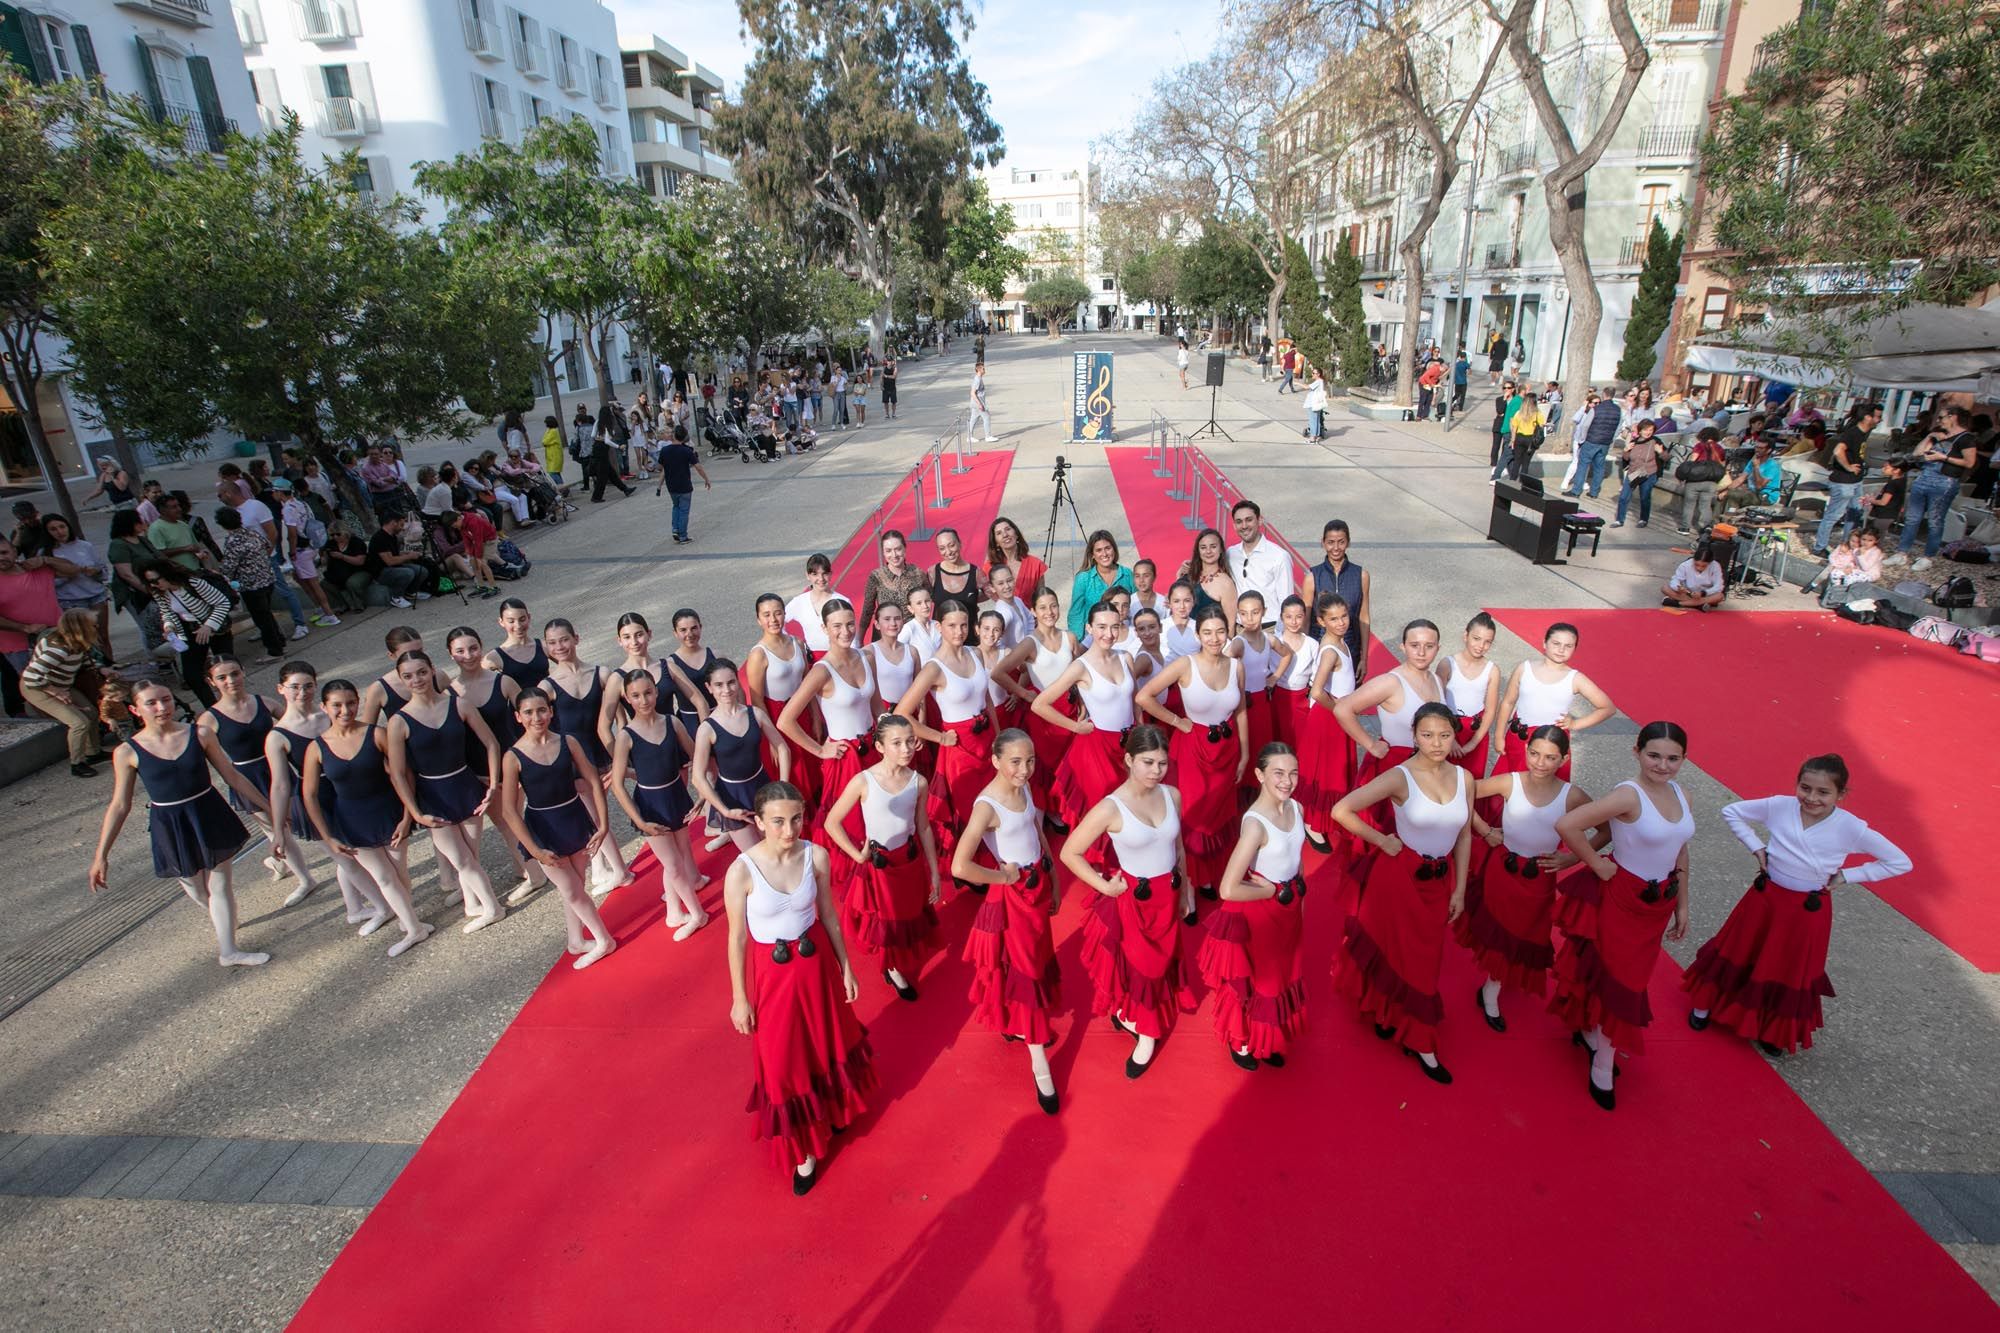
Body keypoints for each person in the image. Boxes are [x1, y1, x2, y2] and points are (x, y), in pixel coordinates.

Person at [1683, 754, 1912, 1055]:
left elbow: (1899, 862)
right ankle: (1705, 1006)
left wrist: (1847, 876)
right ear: (1797, 785)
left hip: (1806, 911)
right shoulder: (1780, 805)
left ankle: (1771, 1028)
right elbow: (1732, 811)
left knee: (1787, 967)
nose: (1811, 798)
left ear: (1841, 795)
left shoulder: (1851, 827)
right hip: (1765, 900)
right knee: (1738, 949)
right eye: (1805, 788)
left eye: (1823, 792)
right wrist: (1756, 847)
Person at [723, 780, 871, 1196]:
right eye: (777, 822)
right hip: (773, 979)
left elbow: (828, 913)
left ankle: (836, 1109)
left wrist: (846, 967)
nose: (789, 830)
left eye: (796, 819)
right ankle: (805, 1148)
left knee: (828, 1041)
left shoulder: (816, 855)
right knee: (784, 1057)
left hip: (818, 966)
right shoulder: (741, 871)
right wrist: (740, 997)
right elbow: (736, 938)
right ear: (759, 821)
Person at [1549, 721, 1695, 1111]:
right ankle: (1602, 1061)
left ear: (1683, 759)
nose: (1663, 765)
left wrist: (1682, 902)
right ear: (1636, 752)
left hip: (1658, 903)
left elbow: (1680, 850)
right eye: (1654, 755)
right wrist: (1597, 865)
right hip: (1621, 898)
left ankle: (1591, 1030)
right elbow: (1568, 824)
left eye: (1673, 758)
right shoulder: (1627, 795)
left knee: (1626, 977)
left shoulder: (1683, 794)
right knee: (1623, 982)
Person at [1330, 701, 1471, 1086]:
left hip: (1440, 883)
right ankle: (1421, 1041)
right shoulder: (1399, 776)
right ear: (1414, 736)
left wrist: (1459, 888)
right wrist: (1381, 840)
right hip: (1399, 879)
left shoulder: (1464, 779)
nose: (1437, 743)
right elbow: (1342, 810)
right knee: (1396, 953)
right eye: (1427, 735)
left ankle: (1394, 1018)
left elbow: (1464, 834)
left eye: (1444, 735)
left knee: (1426, 958)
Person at [89, 679, 274, 965]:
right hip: (170, 822)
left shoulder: (200, 734)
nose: (162, 707)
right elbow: (119, 805)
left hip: (209, 812)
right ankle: (223, 920)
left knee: (220, 884)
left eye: (166, 699)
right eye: (151, 702)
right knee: (197, 889)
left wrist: (270, 807)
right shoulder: (127, 752)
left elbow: (232, 776)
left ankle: (228, 950)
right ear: (135, 710)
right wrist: (101, 855)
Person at [1059, 724, 1192, 1079]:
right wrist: (1103, 887)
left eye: (1162, 764)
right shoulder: (1110, 808)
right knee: (1142, 966)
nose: (1155, 771)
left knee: (1161, 963)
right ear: (1129, 759)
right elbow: (1070, 852)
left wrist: (1188, 886)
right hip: (1133, 899)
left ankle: (1135, 1018)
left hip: (1169, 893)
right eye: (1147, 762)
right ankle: (1147, 1033)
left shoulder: (1172, 795)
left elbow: (1176, 845)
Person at [952, 729, 1063, 1111]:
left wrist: (1054, 876)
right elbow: (960, 865)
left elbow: (1035, 829)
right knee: (1026, 971)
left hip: (1037, 889)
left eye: (1029, 761)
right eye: (1015, 761)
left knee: (1032, 962)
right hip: (1013, 899)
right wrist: (1003, 877)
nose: (1024, 769)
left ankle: (1020, 1026)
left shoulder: (1026, 787)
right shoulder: (987, 806)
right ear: (996, 760)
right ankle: (1040, 1064)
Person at [1462, 726, 1593, 1030]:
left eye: (1550, 757)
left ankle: (1493, 985)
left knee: (1526, 934)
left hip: (1539, 880)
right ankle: (1491, 990)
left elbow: (1605, 829)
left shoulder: (1571, 795)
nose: (1540, 763)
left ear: (1564, 758)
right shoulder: (1511, 782)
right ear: (1526, 750)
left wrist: (1572, 856)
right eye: (1534, 753)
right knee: (1501, 932)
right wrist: (1484, 830)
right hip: (1502, 873)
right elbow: (1463, 791)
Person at [301, 679, 432, 959]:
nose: (345, 710)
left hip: (390, 813)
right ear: (324, 708)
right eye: (337, 705)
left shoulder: (377, 734)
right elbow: (309, 796)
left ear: (358, 702)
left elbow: (404, 774)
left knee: (399, 874)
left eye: (350, 703)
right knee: (385, 878)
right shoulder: (316, 748)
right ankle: (413, 928)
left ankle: (409, 920)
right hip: (351, 822)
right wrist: (328, 837)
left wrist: (408, 816)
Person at [1199, 743, 1309, 1070]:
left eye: (1293, 773)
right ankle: (1243, 1039)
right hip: (1259, 912)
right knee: (1260, 979)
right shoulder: (1255, 824)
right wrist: (1269, 891)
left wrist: (1300, 896)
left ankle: (1267, 1034)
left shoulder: (1297, 808)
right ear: (1260, 775)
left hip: (1289, 908)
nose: (1287, 781)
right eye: (1278, 773)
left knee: (1282, 974)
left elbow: (1298, 857)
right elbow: (1228, 888)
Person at [383, 650, 507, 933]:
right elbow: (399, 773)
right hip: (432, 796)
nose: (417, 680)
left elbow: (491, 744)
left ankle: (472, 904)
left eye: (422, 672)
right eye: (408, 676)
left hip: (465, 786)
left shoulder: (458, 705)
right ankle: (492, 908)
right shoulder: (399, 721)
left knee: (470, 857)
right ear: (402, 680)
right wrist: (414, 812)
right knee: (461, 859)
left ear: (432, 671)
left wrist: (492, 785)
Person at [821, 712, 942, 1002]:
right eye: (897, 743)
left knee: (910, 913)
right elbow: (831, 822)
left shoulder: (919, 782)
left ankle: (898, 963)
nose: (906, 749)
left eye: (910, 742)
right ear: (880, 747)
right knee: (889, 921)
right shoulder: (864, 781)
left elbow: (923, 825)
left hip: (910, 862)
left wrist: (935, 872)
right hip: (881, 868)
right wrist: (857, 855)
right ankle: (893, 969)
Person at [496, 689, 617, 970]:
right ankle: (603, 939)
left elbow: (593, 780)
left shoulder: (568, 742)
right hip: (543, 828)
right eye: (528, 712)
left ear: (551, 712)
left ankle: (576, 940)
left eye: (541, 710)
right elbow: (508, 811)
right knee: (572, 890)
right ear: (518, 717)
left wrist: (602, 823)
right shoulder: (513, 757)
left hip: (574, 818)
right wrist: (536, 850)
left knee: (576, 886)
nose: (536, 717)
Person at [1135, 605, 1247, 901]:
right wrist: (1177, 722)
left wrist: (1245, 753)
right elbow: (1144, 696)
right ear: (1198, 634)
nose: (1214, 638)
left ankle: (1209, 877)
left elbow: (1241, 710)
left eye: (1220, 631)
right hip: (1194, 750)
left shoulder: (1237, 665)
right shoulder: (1185, 665)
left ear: (1228, 632)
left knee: (1220, 816)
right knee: (1193, 817)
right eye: (1207, 632)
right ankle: (1189, 889)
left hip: (1227, 749)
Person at [893, 603, 998, 868]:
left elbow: (986, 699)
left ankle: (994, 857)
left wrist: (999, 737)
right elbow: (902, 712)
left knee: (993, 801)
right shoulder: (934, 668)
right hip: (960, 747)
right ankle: (971, 865)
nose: (959, 631)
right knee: (969, 808)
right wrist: (939, 738)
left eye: (963, 624)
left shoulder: (976, 653)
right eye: (951, 625)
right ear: (939, 627)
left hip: (987, 741)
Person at [607, 670, 705, 939]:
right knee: (673, 865)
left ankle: (674, 911)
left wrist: (703, 794)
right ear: (626, 698)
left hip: (676, 796)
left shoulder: (672, 722)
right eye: (636, 695)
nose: (643, 700)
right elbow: (617, 783)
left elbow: (697, 754)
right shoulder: (626, 735)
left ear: (656, 692)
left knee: (683, 855)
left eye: (648, 692)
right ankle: (698, 914)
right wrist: (638, 820)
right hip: (650, 804)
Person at [538, 618, 632, 895]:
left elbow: (620, 714)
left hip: (600, 752)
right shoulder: (548, 686)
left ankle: (613, 869)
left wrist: (619, 753)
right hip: (573, 761)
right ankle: (614, 868)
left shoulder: (600, 673)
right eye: (553, 643)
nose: (560, 647)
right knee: (592, 815)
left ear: (576, 639)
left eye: (564, 640)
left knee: (596, 813)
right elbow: (537, 724)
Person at [1488, 623, 1615, 822]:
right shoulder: (1525, 668)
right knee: (1510, 788)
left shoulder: (1575, 678)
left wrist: (1575, 724)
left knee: (1545, 794)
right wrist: (1498, 735)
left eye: (1568, 646)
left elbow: (1607, 707)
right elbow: (1508, 701)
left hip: (1551, 744)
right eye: (1556, 643)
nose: (1561, 650)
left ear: (1575, 648)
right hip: (1517, 738)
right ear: (1544, 643)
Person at [1034, 599, 1137, 845]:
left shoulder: (1125, 657)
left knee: (1130, 806)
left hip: (1129, 744)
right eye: (1101, 627)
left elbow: (1134, 702)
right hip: (1098, 746)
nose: (1109, 634)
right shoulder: (1080, 666)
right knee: (1102, 809)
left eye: (1114, 627)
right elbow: (1039, 704)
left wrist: (1140, 736)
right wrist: (1075, 727)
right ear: (1089, 628)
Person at [1334, 619, 1445, 832]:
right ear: (1403, 647)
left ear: (1437, 648)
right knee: (1390, 830)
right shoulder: (1391, 682)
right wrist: (1370, 744)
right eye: (1414, 645)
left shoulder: (1436, 680)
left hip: (1429, 768)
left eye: (1429, 646)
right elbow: (1343, 709)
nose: (1421, 652)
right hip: (1395, 766)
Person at [994, 586, 1077, 810]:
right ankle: (1050, 810)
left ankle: (1069, 808)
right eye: (1042, 607)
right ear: (1033, 611)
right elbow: (998, 672)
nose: (1049, 612)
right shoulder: (1030, 642)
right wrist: (1024, 693)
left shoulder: (1069, 637)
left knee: (1070, 762)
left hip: (1070, 709)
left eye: (1053, 606)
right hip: (1044, 712)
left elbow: (1081, 670)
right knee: (1048, 764)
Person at [1887, 405, 1978, 571]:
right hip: (1924, 478)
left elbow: (1969, 462)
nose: (1939, 421)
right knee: (1912, 518)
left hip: (1944, 481)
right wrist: (1929, 436)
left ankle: (1928, 556)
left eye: (1942, 417)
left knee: (1935, 521)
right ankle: (1901, 553)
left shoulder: (1966, 439)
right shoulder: (1938, 435)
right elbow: (1917, 454)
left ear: (1953, 417)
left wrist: (1943, 457)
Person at [21, 611, 109, 776]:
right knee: (78, 723)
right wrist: (56, 692)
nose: (96, 627)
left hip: (60, 684)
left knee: (91, 713)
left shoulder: (75, 641)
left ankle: (93, 753)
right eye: (93, 625)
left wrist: (102, 669)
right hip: (38, 687)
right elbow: (30, 676)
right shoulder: (58, 649)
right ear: (80, 628)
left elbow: (82, 659)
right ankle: (77, 763)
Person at [140, 560, 236, 708]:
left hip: (216, 628)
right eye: (149, 582)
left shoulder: (193, 583)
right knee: (192, 675)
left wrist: (208, 626)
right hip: (189, 631)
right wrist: (169, 627)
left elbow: (222, 603)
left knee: (225, 668)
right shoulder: (159, 593)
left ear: (167, 575)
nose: (153, 585)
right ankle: (212, 707)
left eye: (155, 580)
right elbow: (166, 613)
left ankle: (234, 702)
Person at [212, 507, 287, 664]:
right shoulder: (252, 533)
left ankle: (275, 650)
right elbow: (267, 546)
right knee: (267, 615)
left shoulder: (233, 541)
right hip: (266, 578)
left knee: (262, 619)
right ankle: (279, 642)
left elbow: (228, 567)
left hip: (251, 585)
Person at [1811, 402, 1880, 555]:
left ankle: (1849, 545)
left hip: (1856, 481)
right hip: (1843, 482)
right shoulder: (1853, 433)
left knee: (1855, 513)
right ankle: (1819, 547)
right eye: (1877, 417)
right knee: (1833, 516)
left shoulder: (1865, 432)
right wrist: (1848, 466)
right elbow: (1838, 451)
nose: (1879, 420)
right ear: (1868, 418)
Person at [1440, 612, 1500, 782]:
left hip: (1476, 731)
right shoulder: (1447, 664)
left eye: (1487, 642)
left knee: (1472, 782)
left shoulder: (1492, 670)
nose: (1481, 646)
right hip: (1447, 728)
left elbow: (1490, 710)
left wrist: (1473, 743)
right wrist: (1448, 738)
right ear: (1465, 635)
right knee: (1444, 780)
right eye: (1476, 638)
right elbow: (1437, 701)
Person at [1223, 499, 1289, 629]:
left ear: (1259, 521)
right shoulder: (1231, 553)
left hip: (1269, 629)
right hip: (1239, 628)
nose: (1244, 526)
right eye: (1239, 522)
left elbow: (1286, 601)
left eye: (1249, 520)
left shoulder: (1279, 556)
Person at [856, 530, 932, 639]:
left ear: (904, 549)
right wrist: (859, 639)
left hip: (913, 636)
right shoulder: (876, 576)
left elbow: (931, 597)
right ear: (883, 552)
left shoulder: (917, 573)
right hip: (885, 637)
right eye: (888, 551)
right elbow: (867, 610)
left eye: (898, 549)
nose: (894, 555)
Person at [1065, 530, 1135, 639]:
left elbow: (1137, 604)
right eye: (1099, 550)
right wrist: (1077, 643)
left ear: (1114, 550)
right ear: (1092, 555)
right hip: (1094, 638)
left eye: (1108, 548)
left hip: (1122, 634)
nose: (1104, 554)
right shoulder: (1083, 578)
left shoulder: (1127, 575)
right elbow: (1076, 613)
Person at [1565, 390, 1625, 499]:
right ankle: (1594, 492)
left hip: (1592, 440)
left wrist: (1582, 439)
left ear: (1604, 395)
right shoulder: (1618, 410)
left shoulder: (1596, 409)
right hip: (1605, 442)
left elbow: (1585, 426)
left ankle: (1576, 490)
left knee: (1583, 465)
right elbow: (1619, 427)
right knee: (1599, 467)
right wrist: (1611, 438)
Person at [658, 424, 710, 546]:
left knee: (676, 506)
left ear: (674, 435)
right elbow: (698, 467)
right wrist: (706, 479)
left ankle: (675, 529)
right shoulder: (687, 451)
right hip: (684, 485)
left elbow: (660, 467)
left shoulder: (665, 450)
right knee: (684, 510)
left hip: (671, 485)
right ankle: (683, 536)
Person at [365, 514, 427, 609]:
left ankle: (410, 592)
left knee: (421, 570)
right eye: (401, 525)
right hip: (381, 571)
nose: (402, 528)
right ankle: (396, 597)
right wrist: (408, 556)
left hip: (394, 567)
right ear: (393, 523)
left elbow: (395, 554)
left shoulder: (392, 536)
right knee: (407, 573)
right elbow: (390, 561)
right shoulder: (379, 538)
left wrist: (406, 553)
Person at [1612, 416, 1664, 528]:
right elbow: (1626, 459)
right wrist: (1625, 450)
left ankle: (1643, 519)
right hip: (1634, 472)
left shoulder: (1656, 441)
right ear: (1640, 430)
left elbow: (1666, 458)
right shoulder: (1634, 442)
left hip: (1649, 472)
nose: (1648, 432)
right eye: (1646, 430)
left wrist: (1660, 452)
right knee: (1623, 497)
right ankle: (1619, 520)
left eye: (1651, 430)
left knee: (1645, 497)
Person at [1675, 428, 1729, 535]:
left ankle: (1685, 528)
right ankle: (1707, 527)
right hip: (1711, 481)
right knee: (1706, 505)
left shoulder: (1699, 446)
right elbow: (1722, 465)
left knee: (1689, 504)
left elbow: (1693, 460)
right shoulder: (1720, 448)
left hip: (1695, 480)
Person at [985, 516, 1047, 605]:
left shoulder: (1036, 565)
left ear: (1016, 534)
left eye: (1008, 529)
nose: (1005, 535)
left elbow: (1041, 598)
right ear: (996, 542)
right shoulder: (989, 567)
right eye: (999, 533)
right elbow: (987, 591)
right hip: (1005, 617)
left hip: (1030, 617)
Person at [1820, 527, 1884, 606]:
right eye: (1863, 539)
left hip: (1870, 574)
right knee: (1835, 573)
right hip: (1858, 571)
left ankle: (1844, 600)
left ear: (1876, 541)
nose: (1866, 543)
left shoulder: (1876, 551)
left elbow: (1866, 567)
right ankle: (1837, 593)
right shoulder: (1857, 550)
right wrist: (1849, 566)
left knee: (1849, 578)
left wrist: (1861, 555)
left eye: (1870, 540)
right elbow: (1854, 562)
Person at [1718, 438, 1783, 516]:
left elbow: (1759, 486)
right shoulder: (1753, 461)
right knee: (1720, 496)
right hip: (1751, 492)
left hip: (1765, 496)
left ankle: (1729, 518)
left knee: (1734, 495)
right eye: (1756, 447)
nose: (1757, 450)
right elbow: (1740, 479)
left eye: (1761, 448)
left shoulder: (1772, 465)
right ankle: (1718, 521)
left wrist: (1756, 467)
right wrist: (1725, 491)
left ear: (1768, 450)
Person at [1662, 542, 1727, 612]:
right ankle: (1699, 605)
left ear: (1710, 563)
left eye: (1703, 566)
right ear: (1693, 560)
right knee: (1665, 588)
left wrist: (1703, 593)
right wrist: (1678, 587)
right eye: (1696, 564)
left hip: (1705, 594)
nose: (1699, 568)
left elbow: (1719, 586)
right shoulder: (1686, 565)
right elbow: (1675, 579)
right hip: (1688, 593)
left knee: (1720, 596)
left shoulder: (1715, 566)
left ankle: (1679, 603)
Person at [929, 527, 980, 609]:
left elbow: (993, 593)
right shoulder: (932, 572)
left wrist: (973, 599)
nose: (948, 552)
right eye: (942, 548)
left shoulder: (976, 573)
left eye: (952, 545)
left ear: (960, 543)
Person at [969, 362, 995, 441]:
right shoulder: (977, 380)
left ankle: (969, 437)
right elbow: (972, 393)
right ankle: (988, 436)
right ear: (979, 370)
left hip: (975, 403)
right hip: (978, 403)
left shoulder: (979, 378)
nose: (984, 370)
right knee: (987, 417)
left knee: (973, 419)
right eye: (983, 368)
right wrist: (979, 404)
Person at [1303, 369, 1328, 441]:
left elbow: (1306, 387)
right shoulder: (1321, 381)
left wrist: (1297, 383)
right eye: (1312, 373)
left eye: (1314, 373)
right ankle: (1316, 436)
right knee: (1316, 420)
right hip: (1317, 404)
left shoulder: (1318, 381)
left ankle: (1312, 437)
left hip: (1313, 403)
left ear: (1318, 374)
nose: (1312, 374)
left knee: (1313, 420)